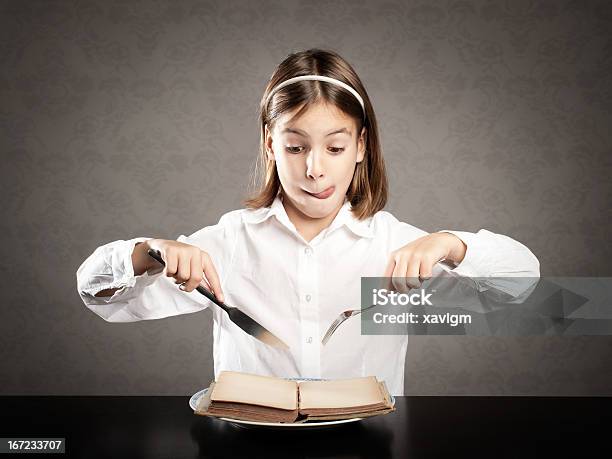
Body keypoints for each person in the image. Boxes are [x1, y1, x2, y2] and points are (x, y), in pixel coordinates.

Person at [76, 49, 540, 396]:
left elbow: (524, 283)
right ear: (270, 145)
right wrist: (146, 253)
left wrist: (453, 245)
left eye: (335, 148)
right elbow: (95, 294)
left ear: (361, 146)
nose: (314, 169)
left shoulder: (397, 247)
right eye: (296, 147)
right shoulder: (230, 242)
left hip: (372, 443)